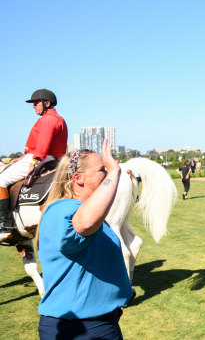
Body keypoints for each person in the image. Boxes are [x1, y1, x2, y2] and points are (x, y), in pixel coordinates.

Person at [37, 139, 132, 340]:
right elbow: (84, 224)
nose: (106, 174)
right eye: (101, 170)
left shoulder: (86, 211)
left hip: (99, 323)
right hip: (79, 327)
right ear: (79, 178)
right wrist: (114, 171)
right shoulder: (61, 209)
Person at [0, 89, 68, 234]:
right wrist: (24, 157)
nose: (34, 106)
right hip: (53, 158)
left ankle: (4, 222)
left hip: (42, 157)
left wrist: (34, 160)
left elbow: (43, 145)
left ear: (46, 103)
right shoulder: (58, 119)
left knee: (1, 180)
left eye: (36, 103)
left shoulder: (47, 120)